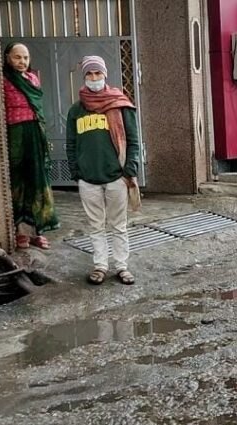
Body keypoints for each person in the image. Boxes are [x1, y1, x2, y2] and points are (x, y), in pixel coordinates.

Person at [66, 55, 141, 286]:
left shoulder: (119, 104)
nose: (94, 78)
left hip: (116, 177)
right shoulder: (77, 110)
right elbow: (71, 143)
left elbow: (133, 140)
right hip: (88, 180)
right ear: (84, 77)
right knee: (95, 225)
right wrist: (76, 171)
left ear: (105, 75)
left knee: (118, 225)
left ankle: (121, 266)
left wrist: (129, 170)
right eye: (90, 74)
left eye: (98, 73)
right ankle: (100, 266)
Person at [2, 43, 59, 250]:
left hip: (36, 134)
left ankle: (37, 232)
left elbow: (39, 110)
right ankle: (21, 232)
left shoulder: (33, 79)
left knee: (38, 180)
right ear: (7, 57)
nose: (22, 62)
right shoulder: (3, 80)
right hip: (16, 135)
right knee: (21, 182)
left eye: (25, 58)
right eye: (17, 57)